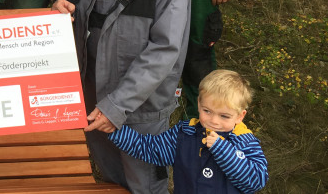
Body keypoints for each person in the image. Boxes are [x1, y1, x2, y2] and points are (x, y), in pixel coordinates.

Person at [51, 0, 190, 193]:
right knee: (112, 180)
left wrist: (117, 106)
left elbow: (165, 51)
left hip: (139, 110)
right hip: (90, 98)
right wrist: (57, 6)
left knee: (144, 185)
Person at [109, 69, 269, 193]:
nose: (214, 121)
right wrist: (115, 130)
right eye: (207, 111)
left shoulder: (244, 141)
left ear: (240, 116)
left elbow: (256, 181)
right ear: (199, 104)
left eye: (224, 116)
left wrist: (223, 150)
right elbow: (151, 149)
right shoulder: (185, 133)